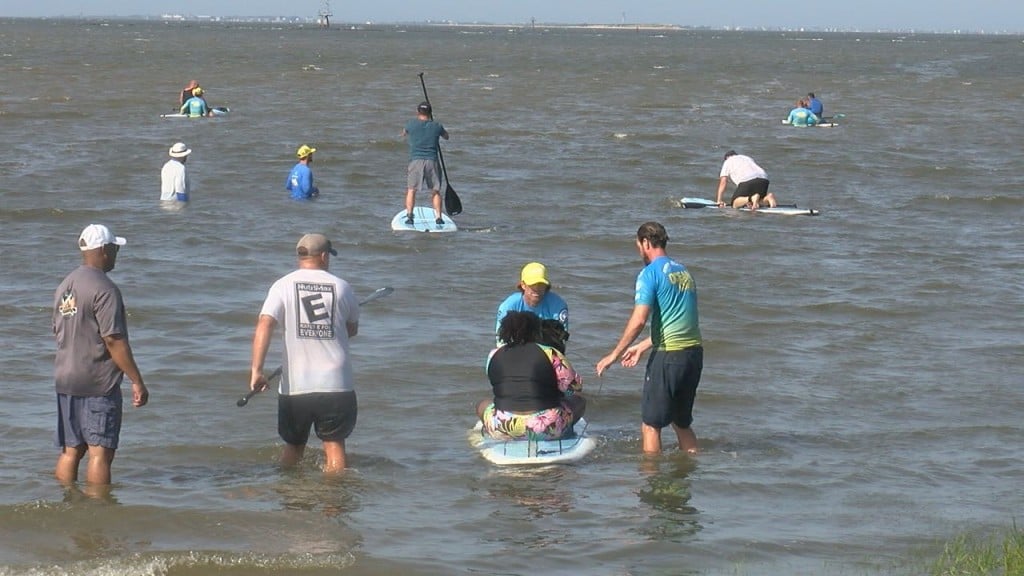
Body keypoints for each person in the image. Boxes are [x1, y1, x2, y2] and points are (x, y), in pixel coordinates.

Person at [248, 233, 360, 473]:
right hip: (336, 384)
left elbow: (265, 324)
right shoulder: (342, 287)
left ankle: (291, 503)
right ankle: (335, 505)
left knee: (294, 446)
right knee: (334, 446)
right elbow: (351, 329)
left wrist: (257, 370)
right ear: (323, 256)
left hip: (296, 385)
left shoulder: (282, 285)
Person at [52, 224, 150, 487]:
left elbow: (57, 332)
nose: (117, 253)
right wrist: (136, 380)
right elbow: (113, 340)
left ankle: (67, 504)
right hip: (96, 382)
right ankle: (98, 515)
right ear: (104, 250)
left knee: (71, 450)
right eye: (115, 248)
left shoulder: (65, 286)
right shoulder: (105, 289)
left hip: (65, 379)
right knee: (100, 453)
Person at [596, 222, 703, 454]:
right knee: (681, 422)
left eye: (638, 246)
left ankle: (651, 483)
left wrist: (614, 355)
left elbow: (640, 319)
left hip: (669, 358)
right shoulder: (683, 272)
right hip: (693, 355)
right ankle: (693, 472)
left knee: (651, 426)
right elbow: (679, 322)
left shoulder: (649, 274)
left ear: (645, 243)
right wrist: (642, 346)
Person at [476, 311, 586, 441]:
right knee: (579, 401)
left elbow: (496, 382)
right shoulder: (549, 353)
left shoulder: (494, 354)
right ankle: (563, 432)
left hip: (502, 426)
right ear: (535, 330)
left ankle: (491, 432)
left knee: (482, 405)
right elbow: (573, 388)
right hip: (545, 427)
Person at [495, 262, 569, 345]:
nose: (537, 289)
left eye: (541, 285)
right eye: (533, 285)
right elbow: (501, 342)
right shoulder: (508, 306)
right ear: (523, 285)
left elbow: (561, 341)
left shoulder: (558, 305)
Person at [401, 101, 449, 226]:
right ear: (430, 113)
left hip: (416, 161)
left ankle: (410, 216)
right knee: (436, 191)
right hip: (432, 161)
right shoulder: (437, 126)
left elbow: (404, 133)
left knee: (411, 190)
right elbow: (446, 136)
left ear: (418, 112)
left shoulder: (411, 124)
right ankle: (438, 217)